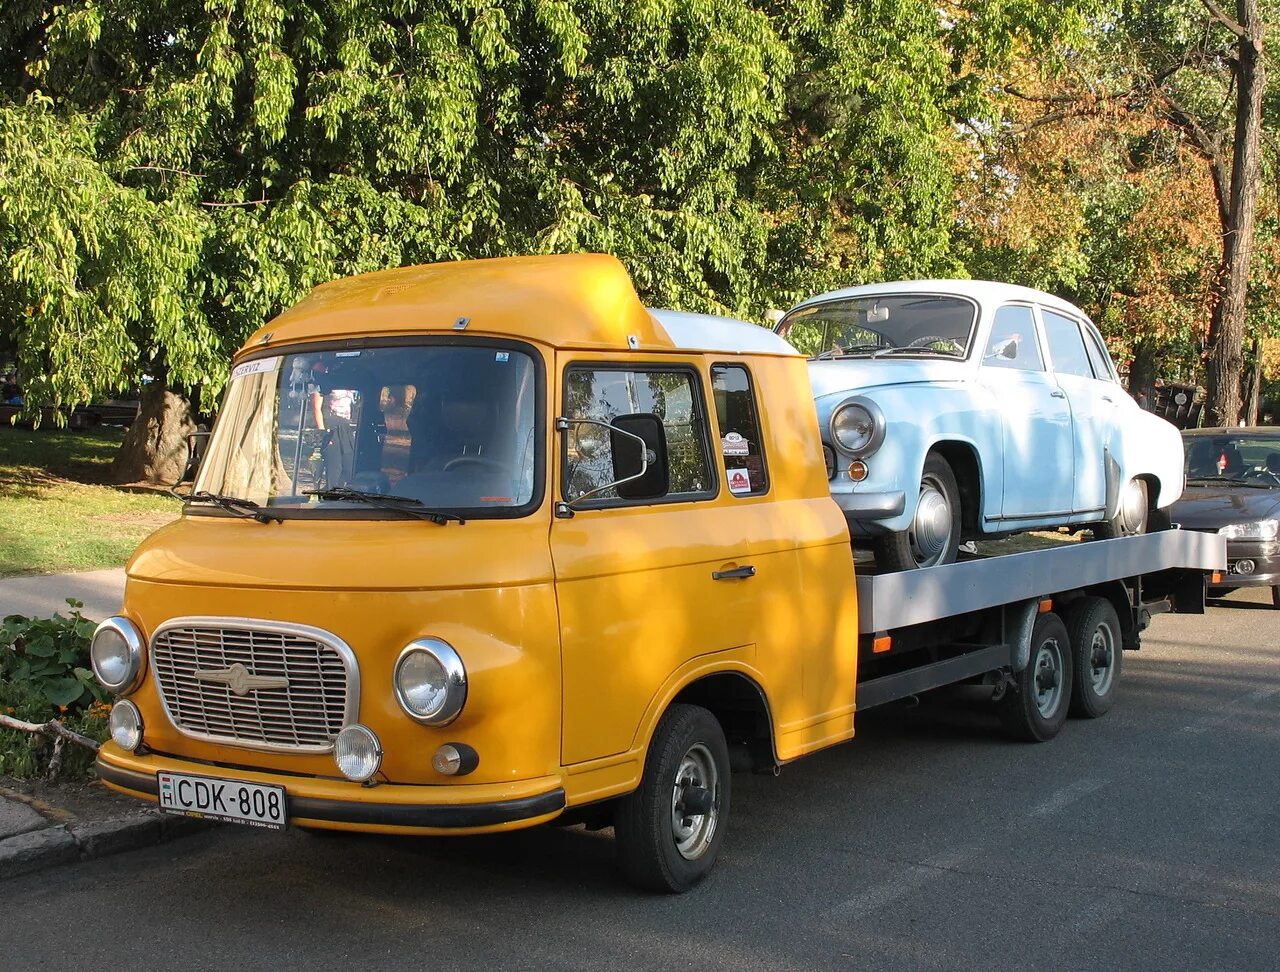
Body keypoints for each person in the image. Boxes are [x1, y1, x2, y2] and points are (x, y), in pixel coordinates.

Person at [309, 360, 358, 488]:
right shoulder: (321, 380)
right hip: (330, 425)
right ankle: (331, 493)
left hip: (346, 426)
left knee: (350, 465)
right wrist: (323, 433)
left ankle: (340, 491)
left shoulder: (347, 380)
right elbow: (316, 408)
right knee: (335, 467)